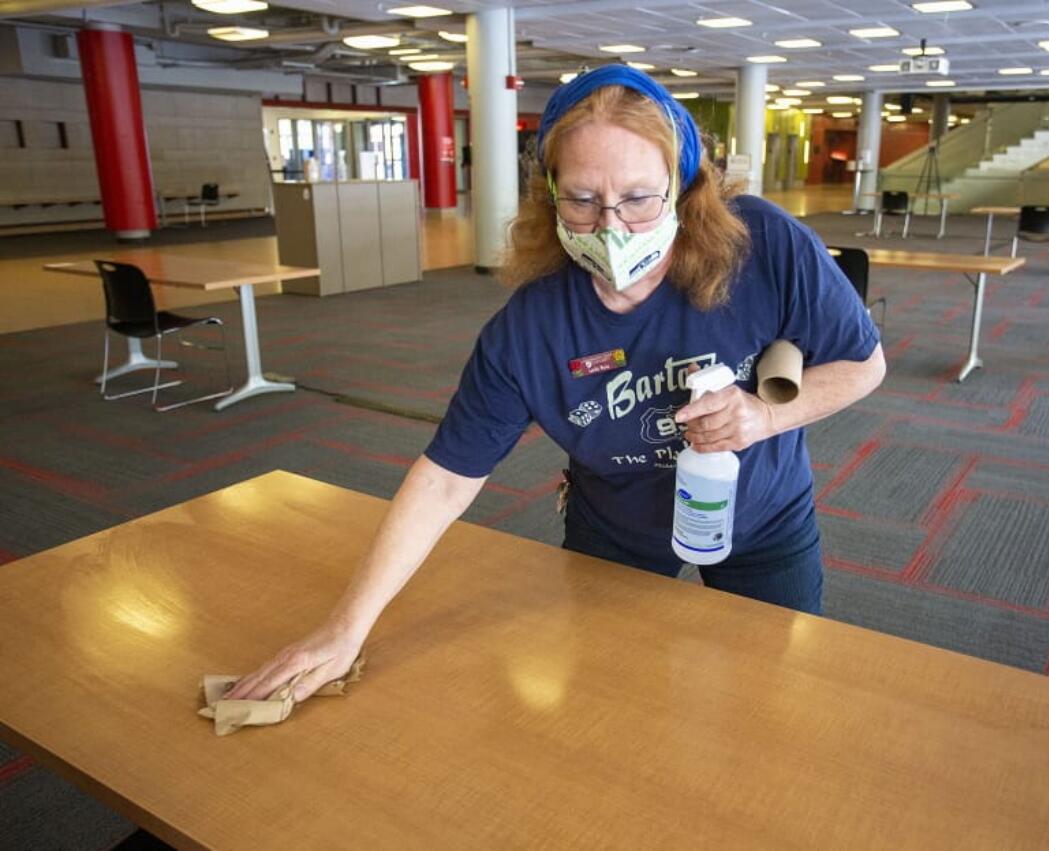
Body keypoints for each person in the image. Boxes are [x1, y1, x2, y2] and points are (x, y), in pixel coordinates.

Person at [226, 65, 885, 704]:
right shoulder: (531, 328)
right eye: (582, 198)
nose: (611, 225)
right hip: (617, 532)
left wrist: (763, 418)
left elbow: (865, 364)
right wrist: (346, 628)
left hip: (761, 515)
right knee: (609, 702)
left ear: (681, 187)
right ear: (550, 193)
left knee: (771, 697)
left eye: (637, 197)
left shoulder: (760, 245)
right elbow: (446, 477)